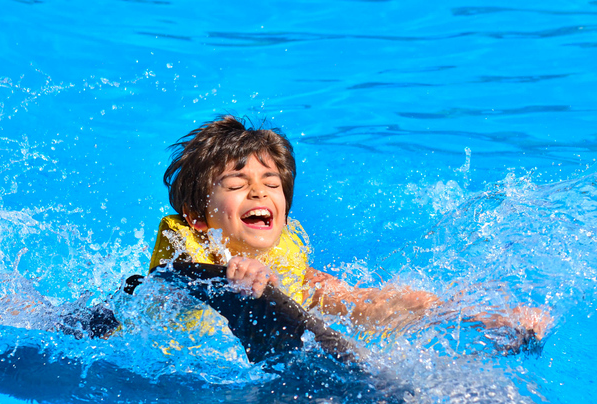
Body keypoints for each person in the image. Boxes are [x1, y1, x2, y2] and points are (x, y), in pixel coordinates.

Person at [149, 115, 550, 346]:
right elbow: (164, 302)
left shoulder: (292, 270)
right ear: (198, 217)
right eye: (236, 185)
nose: (258, 191)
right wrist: (227, 280)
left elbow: (368, 304)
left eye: (272, 185)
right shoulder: (183, 263)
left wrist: (484, 316)